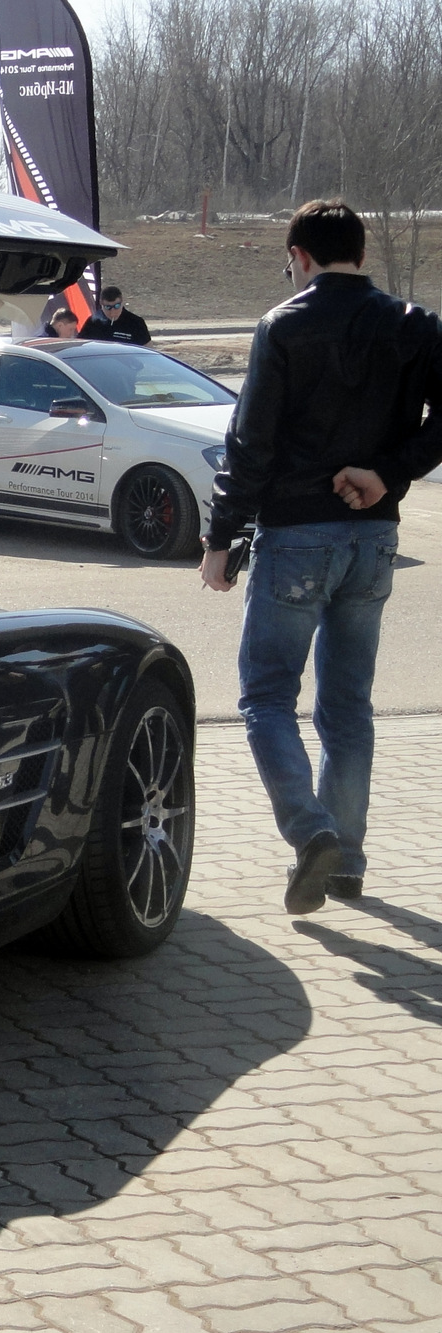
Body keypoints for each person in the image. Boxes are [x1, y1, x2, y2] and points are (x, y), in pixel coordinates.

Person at [200, 199, 442, 912]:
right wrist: (389, 473)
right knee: (348, 705)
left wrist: (220, 540)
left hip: (296, 535)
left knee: (267, 696)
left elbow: (250, 444)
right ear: (361, 254)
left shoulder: (283, 325)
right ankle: (348, 859)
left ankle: (311, 834)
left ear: (299, 257)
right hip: (375, 538)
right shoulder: (415, 325)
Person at [79, 286, 153, 345]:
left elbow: (148, 351)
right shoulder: (93, 322)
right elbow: (80, 346)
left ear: (122, 302)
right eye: (108, 307)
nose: (112, 312)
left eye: (116, 306)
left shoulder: (136, 323)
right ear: (101, 304)